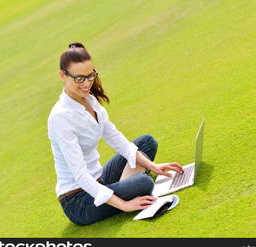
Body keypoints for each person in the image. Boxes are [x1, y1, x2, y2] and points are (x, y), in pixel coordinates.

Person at [47, 42, 184, 226]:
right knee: (144, 183)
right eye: (79, 78)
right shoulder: (60, 118)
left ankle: (124, 186)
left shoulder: (89, 99)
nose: (87, 83)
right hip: (78, 200)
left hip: (100, 179)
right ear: (62, 75)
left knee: (146, 143)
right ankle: (125, 189)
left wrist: (153, 166)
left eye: (90, 76)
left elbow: (114, 137)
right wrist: (124, 205)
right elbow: (79, 174)